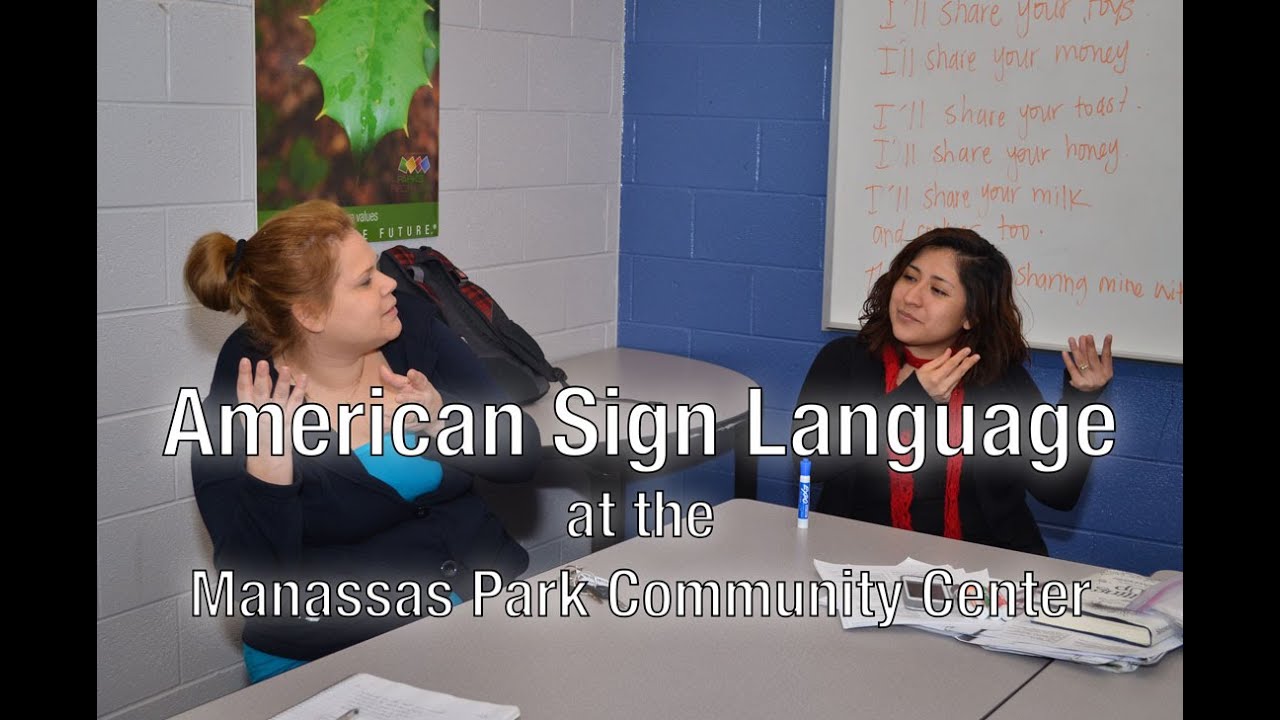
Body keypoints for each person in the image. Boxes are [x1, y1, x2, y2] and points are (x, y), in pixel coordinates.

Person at [183, 200, 540, 682]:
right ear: (310, 313)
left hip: (473, 605)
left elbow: (522, 454)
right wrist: (270, 467)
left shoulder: (409, 327)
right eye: (366, 279)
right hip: (330, 653)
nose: (390, 282)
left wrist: (442, 423)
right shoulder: (244, 391)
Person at [793, 228, 1113, 555]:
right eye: (908, 278)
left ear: (971, 316)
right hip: (859, 561)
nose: (912, 297)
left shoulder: (999, 380)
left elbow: (1057, 495)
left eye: (938, 290)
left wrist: (1080, 400)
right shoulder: (847, 360)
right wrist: (912, 398)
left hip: (980, 572)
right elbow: (808, 463)